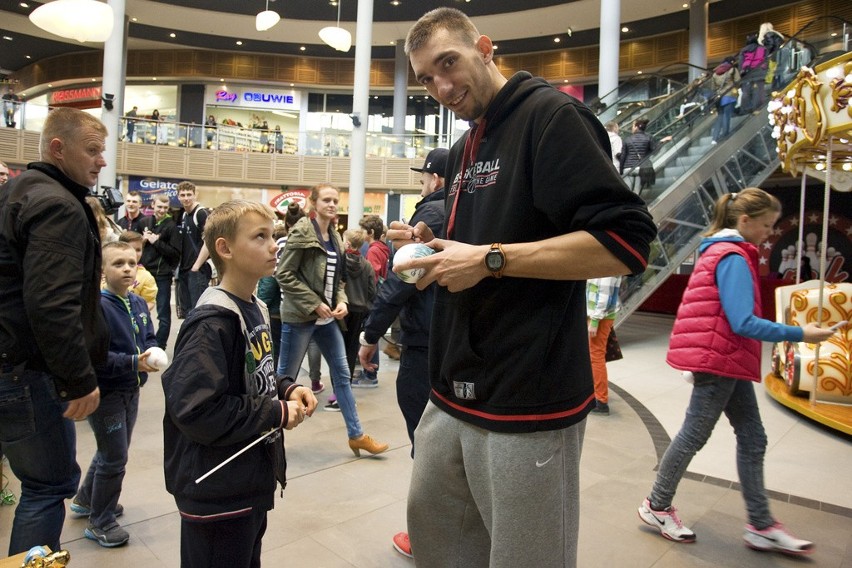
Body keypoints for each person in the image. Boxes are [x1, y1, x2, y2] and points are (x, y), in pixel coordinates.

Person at [397, 9, 656, 566]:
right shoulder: (469, 142)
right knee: (439, 547)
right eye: (426, 78)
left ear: (484, 48)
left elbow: (628, 242)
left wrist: (490, 259)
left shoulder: (553, 116)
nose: (442, 87)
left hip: (526, 401)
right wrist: (433, 241)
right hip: (450, 389)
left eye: (450, 63)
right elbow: (491, 236)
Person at [637, 187, 835, 555]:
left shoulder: (723, 252)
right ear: (744, 221)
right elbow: (743, 321)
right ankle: (657, 505)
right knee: (695, 435)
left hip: (726, 359)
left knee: (752, 438)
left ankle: (760, 524)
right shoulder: (732, 257)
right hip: (720, 361)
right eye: (766, 225)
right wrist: (800, 332)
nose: (769, 233)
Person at [162, 200, 316, 568]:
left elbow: (252, 374)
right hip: (218, 489)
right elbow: (196, 408)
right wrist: (276, 411)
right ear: (225, 249)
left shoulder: (253, 306)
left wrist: (285, 388)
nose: (274, 245)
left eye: (273, 235)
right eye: (260, 237)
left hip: (245, 478)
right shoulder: (212, 321)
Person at [0, 106, 110, 555]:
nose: (101, 161)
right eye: (92, 150)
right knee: (47, 486)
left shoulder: (18, 191)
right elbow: (51, 303)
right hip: (27, 372)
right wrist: (78, 379)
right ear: (57, 148)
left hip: (11, 363)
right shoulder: (57, 205)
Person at [358, 146, 448, 559]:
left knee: (426, 441)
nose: (421, 183)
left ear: (436, 179)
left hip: (424, 342)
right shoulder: (465, 210)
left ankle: (428, 537)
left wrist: (370, 334)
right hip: (452, 340)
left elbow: (400, 281)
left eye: (424, 176)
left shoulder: (429, 218)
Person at [275, 183, 389, 456]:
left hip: (328, 320)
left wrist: (341, 301)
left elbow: (338, 280)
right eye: (326, 200)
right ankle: (268, 434)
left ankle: (357, 435)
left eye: (335, 200)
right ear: (313, 203)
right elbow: (284, 274)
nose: (332, 204)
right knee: (283, 379)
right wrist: (314, 304)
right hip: (301, 317)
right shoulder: (303, 230)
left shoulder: (336, 238)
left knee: (342, 375)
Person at [72, 241, 157, 548]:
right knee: (115, 456)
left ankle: (86, 500)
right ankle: (101, 520)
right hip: (107, 393)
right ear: (102, 271)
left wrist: (153, 348)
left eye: (131, 263)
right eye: (118, 263)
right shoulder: (96, 308)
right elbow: (96, 358)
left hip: (131, 389)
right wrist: (134, 361)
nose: (126, 268)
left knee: (112, 450)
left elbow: (147, 333)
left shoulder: (136, 302)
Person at [141, 192, 181, 350]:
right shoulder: (145, 222)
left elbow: (175, 253)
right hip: (144, 272)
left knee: (163, 313)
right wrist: (143, 241)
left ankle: (160, 345)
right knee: (140, 309)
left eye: (165, 207)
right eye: (159, 206)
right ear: (153, 206)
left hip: (162, 275)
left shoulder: (171, 227)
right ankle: (142, 341)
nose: (162, 210)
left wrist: (156, 242)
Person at [340, 229, 376, 380]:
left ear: (347, 242)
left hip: (341, 310)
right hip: (359, 311)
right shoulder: (367, 265)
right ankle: (346, 383)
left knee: (338, 349)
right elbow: (372, 291)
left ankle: (338, 385)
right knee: (352, 348)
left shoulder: (340, 262)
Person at [586, 276, 622, 415]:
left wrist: (594, 320)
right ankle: (596, 394)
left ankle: (601, 401)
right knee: (594, 355)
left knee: (596, 356)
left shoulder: (607, 267)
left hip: (599, 317)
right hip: (596, 315)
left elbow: (604, 294)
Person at [176, 180, 211, 314]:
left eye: (189, 194)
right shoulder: (184, 215)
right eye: (183, 195)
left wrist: (196, 266)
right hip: (185, 269)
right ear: (178, 197)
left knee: (198, 310)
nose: (186, 198)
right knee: (187, 310)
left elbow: (209, 240)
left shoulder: (201, 213)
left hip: (197, 270)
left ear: (195, 195)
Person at [118, 230, 158, 313]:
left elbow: (150, 302)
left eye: (138, 250)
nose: (135, 253)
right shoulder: (109, 271)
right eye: (131, 249)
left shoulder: (146, 277)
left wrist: (136, 313)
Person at [620, 118, 658, 191]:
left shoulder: (627, 139)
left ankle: (629, 202)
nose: (632, 128)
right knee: (637, 191)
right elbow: (655, 151)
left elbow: (623, 156)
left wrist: (621, 170)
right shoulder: (649, 138)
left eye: (633, 126)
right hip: (641, 168)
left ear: (637, 127)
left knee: (628, 190)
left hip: (628, 168)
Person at [711, 56, 740, 144]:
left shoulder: (715, 73)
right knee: (727, 116)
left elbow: (713, 88)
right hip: (729, 95)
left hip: (719, 97)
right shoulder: (733, 70)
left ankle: (714, 138)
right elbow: (738, 80)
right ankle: (725, 134)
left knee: (720, 116)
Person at [737, 33, 768, 114]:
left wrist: (741, 72)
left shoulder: (744, 50)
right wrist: (765, 71)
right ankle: (758, 108)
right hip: (759, 72)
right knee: (759, 91)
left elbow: (740, 63)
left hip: (747, 73)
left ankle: (745, 109)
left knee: (746, 92)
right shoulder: (763, 48)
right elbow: (766, 60)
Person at [758, 23, 785, 94]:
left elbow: (770, 46)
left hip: (773, 58)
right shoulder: (777, 35)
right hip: (779, 57)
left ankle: (772, 92)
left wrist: (766, 55)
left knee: (770, 76)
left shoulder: (768, 34)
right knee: (775, 75)